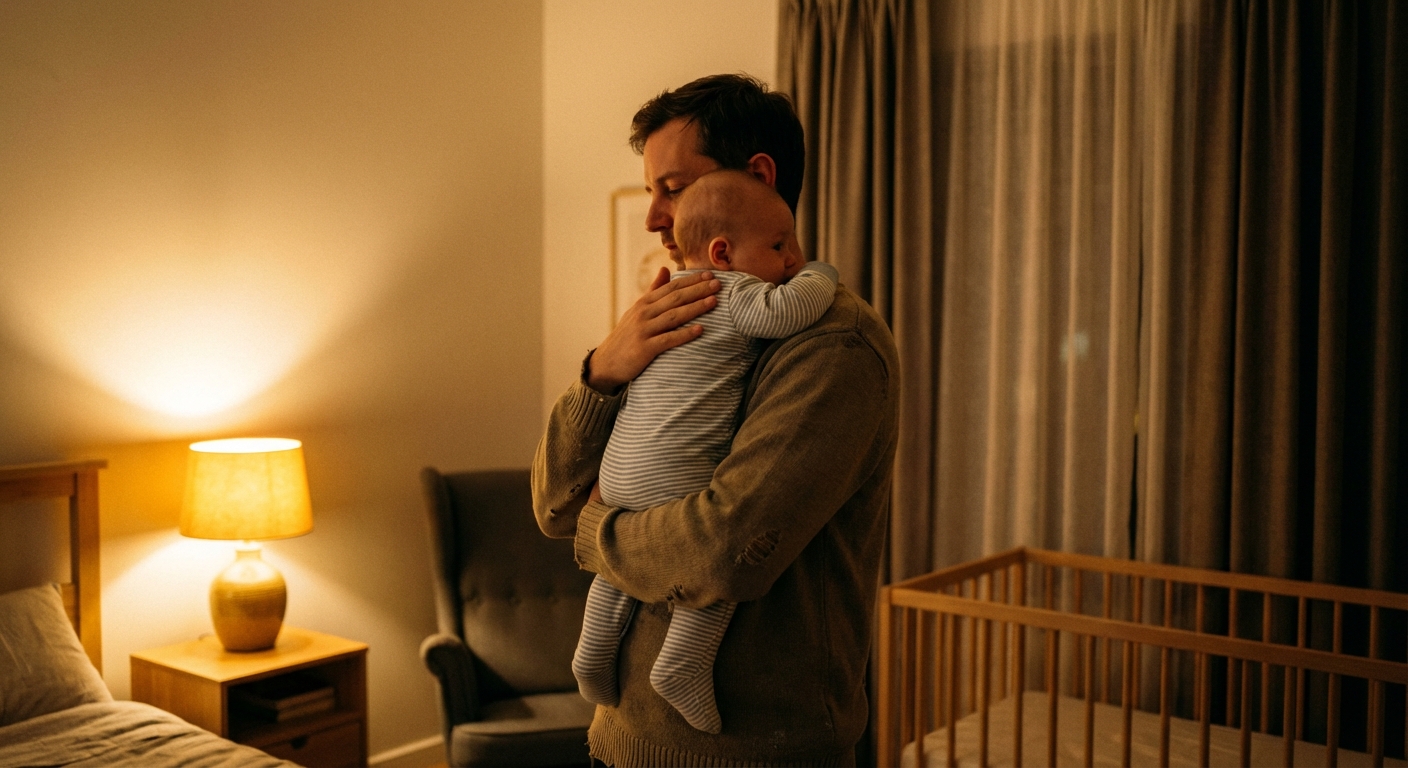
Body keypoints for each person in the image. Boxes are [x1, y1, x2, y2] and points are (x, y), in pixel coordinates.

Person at [532, 73, 899, 767]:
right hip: (621, 738)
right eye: (650, 192)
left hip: (756, 753)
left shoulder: (833, 342)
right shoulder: (673, 319)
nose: (652, 218)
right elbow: (550, 502)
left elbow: (722, 549)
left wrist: (595, 528)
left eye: (671, 188)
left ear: (756, 174)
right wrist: (602, 371)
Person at [572, 169, 840, 735]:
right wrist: (821, 273)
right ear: (723, 252)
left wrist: (595, 520)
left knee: (613, 578)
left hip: (618, 475)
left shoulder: (661, 300)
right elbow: (787, 311)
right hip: (676, 476)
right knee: (705, 572)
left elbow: (563, 505)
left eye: (672, 187)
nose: (792, 257)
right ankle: (684, 662)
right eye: (779, 246)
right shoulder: (736, 290)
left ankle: (591, 654)